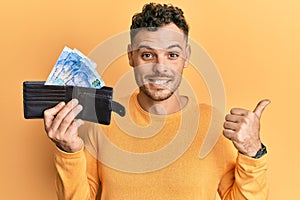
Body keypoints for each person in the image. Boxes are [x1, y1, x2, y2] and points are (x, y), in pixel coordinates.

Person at [43, 3, 270, 200]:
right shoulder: (104, 120)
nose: (160, 67)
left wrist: (253, 151)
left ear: (186, 57)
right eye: (147, 55)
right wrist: (69, 151)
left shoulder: (213, 125)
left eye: (172, 55)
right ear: (131, 56)